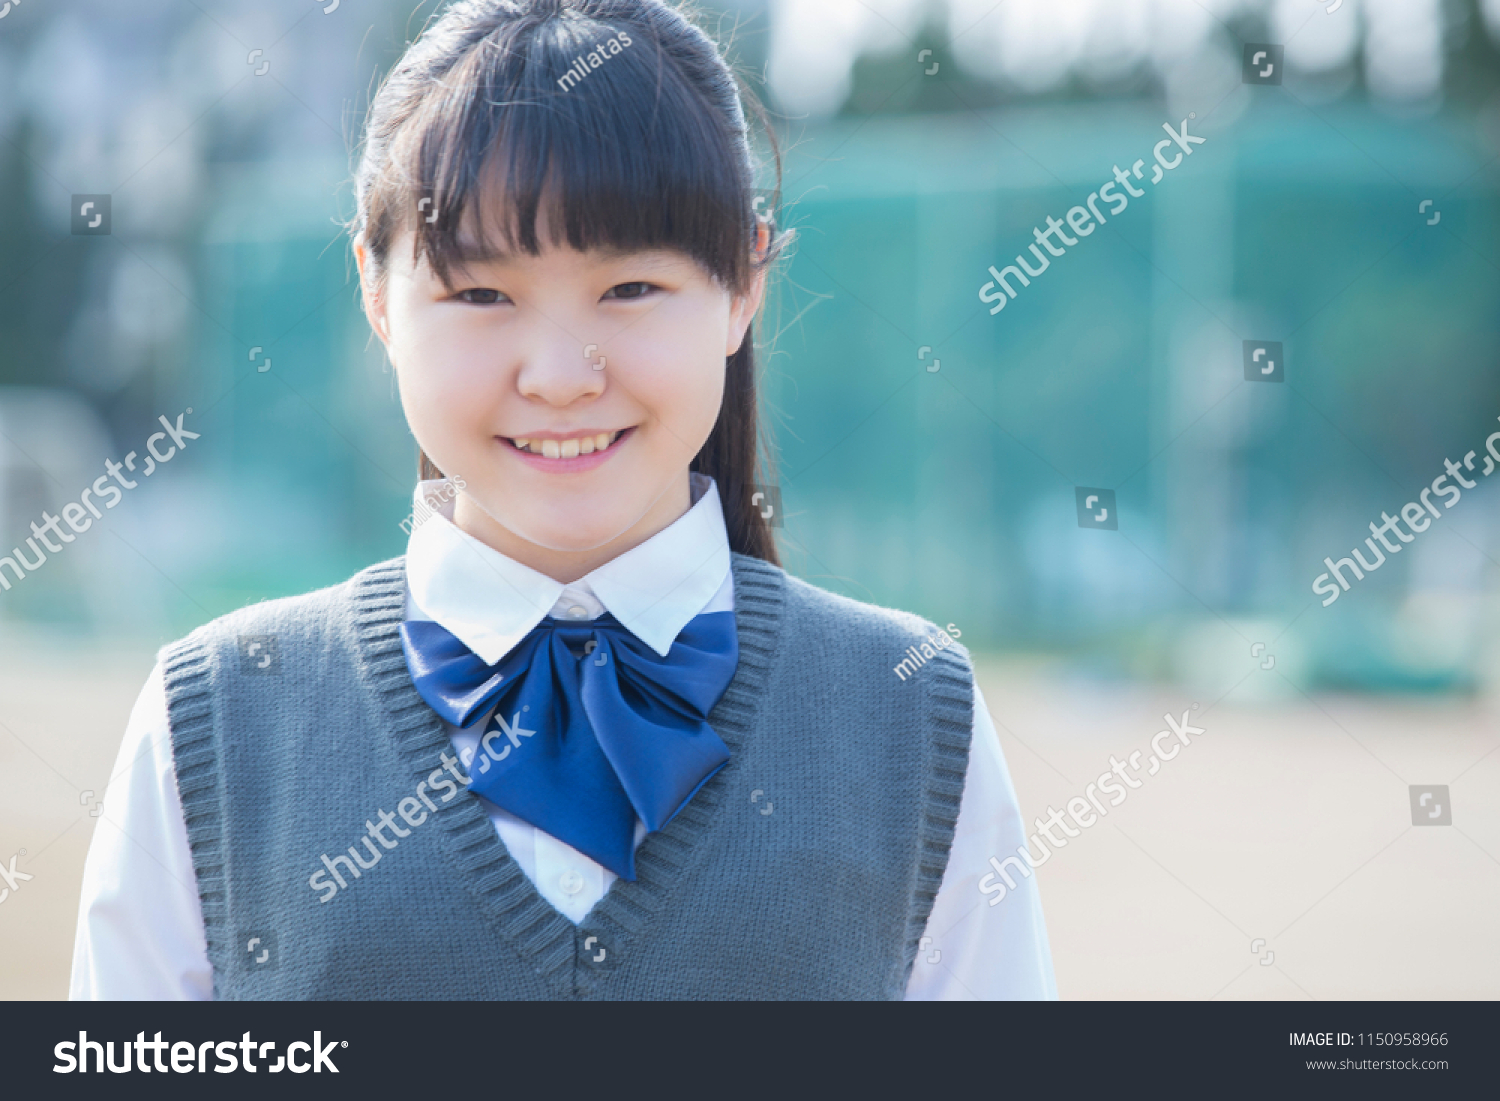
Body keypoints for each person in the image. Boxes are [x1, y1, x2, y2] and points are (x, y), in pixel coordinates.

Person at [69, 0, 1055, 1000]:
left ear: (745, 281)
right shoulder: (219, 720)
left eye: (629, 289)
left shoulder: (910, 712)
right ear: (375, 290)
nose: (559, 376)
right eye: (481, 294)